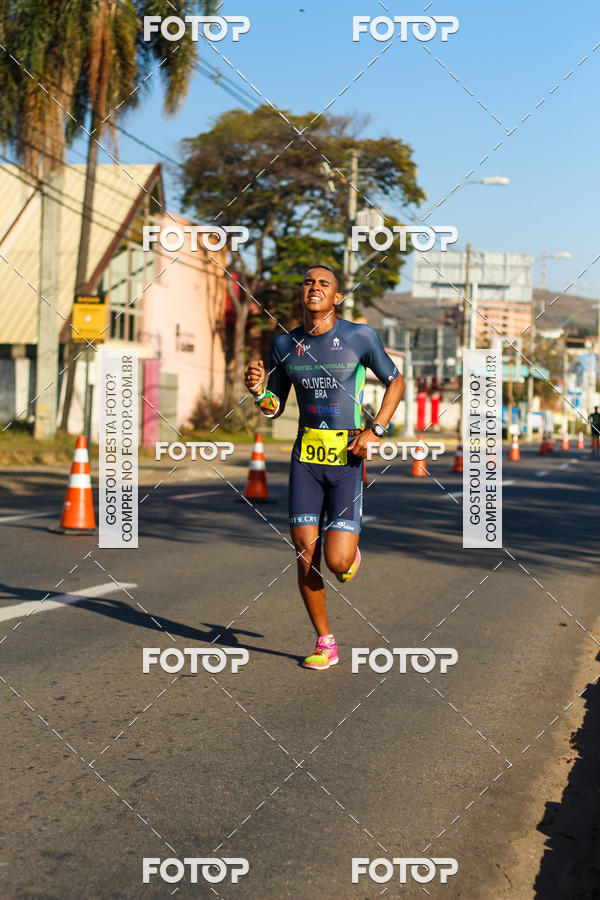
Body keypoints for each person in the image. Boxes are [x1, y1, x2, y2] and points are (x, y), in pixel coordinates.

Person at [243, 265, 405, 670]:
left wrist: (377, 429)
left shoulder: (360, 337)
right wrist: (258, 390)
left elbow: (396, 381)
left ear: (337, 298)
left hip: (347, 457)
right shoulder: (284, 344)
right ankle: (324, 641)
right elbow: (273, 408)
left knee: (336, 562)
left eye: (324, 284)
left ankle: (349, 556)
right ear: (303, 293)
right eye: (308, 282)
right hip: (306, 458)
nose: (314, 287)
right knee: (304, 553)